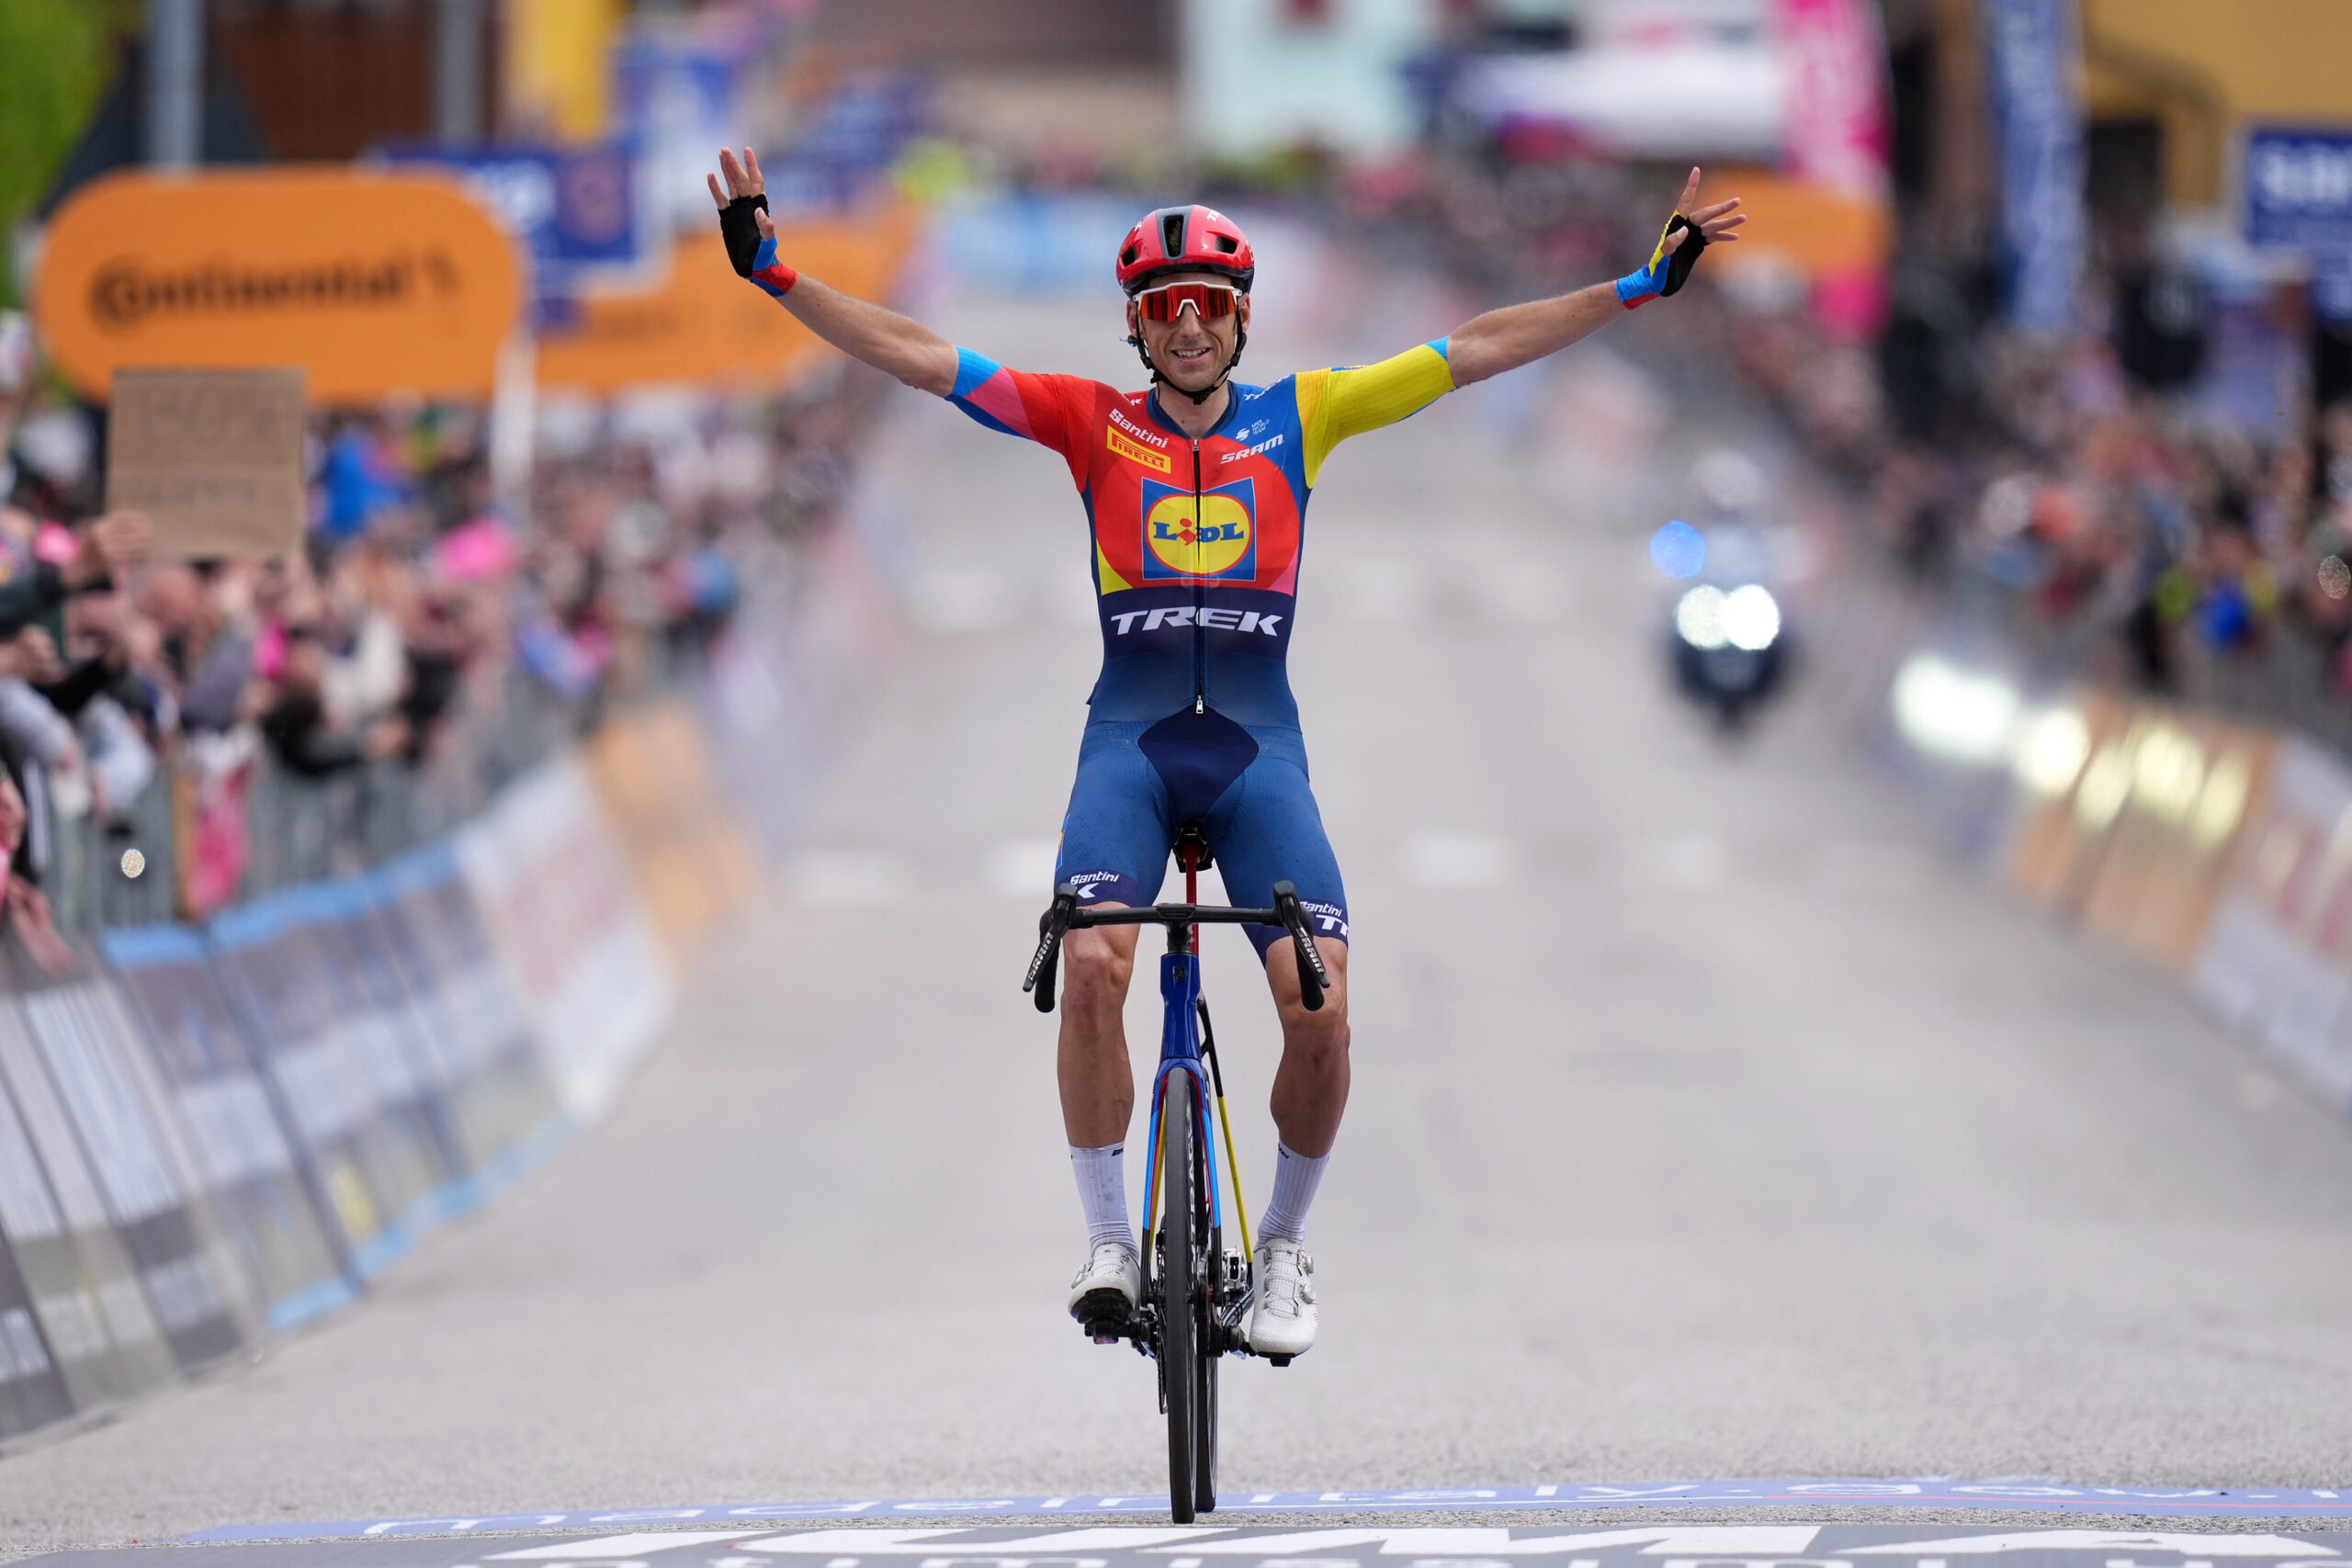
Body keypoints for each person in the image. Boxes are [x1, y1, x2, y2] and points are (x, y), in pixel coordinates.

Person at [707, 148, 1742, 1357]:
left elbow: (1475, 348)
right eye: (1164, 309)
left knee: (1322, 1007)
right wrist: (775, 274)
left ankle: (1284, 1252)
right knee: (1093, 966)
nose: (1188, 326)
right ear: (1138, 327)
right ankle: (1109, 1241)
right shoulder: (1089, 422)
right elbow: (919, 354)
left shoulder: (1307, 414)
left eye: (1208, 304)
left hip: (1257, 754)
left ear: (1242, 317)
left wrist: (1636, 287)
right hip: (1130, 747)